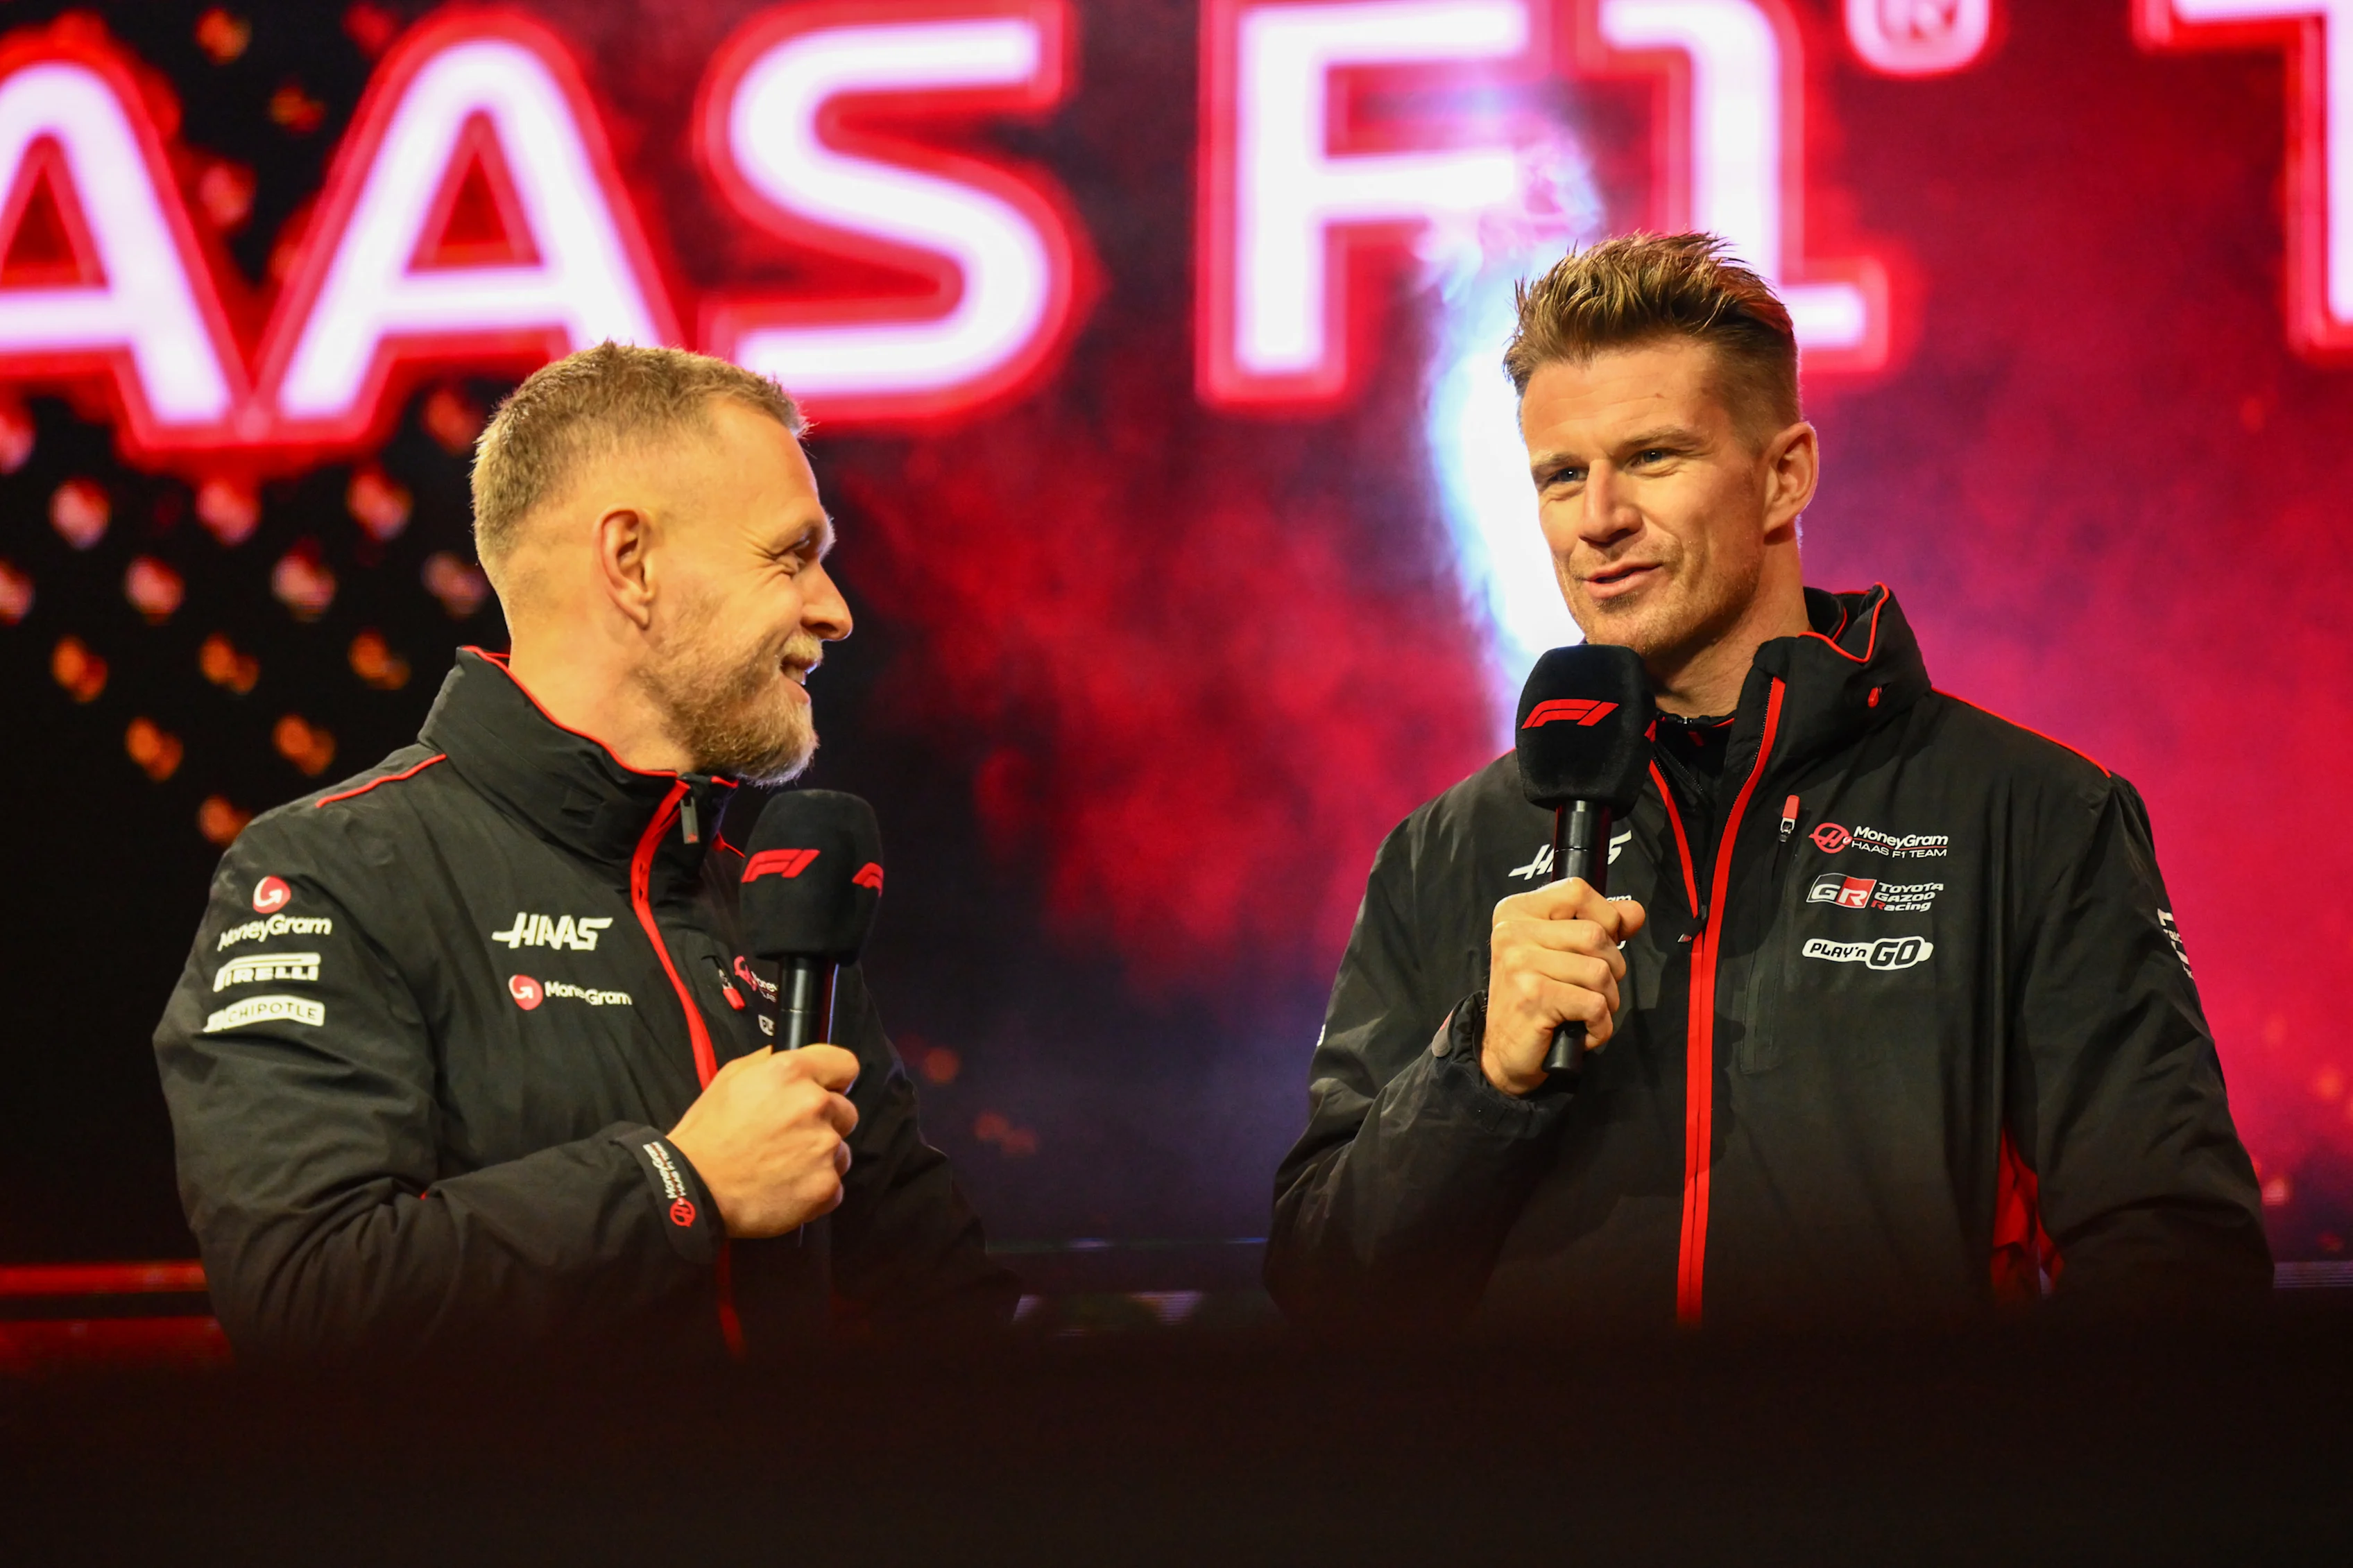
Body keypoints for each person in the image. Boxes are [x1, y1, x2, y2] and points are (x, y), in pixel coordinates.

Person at [1267, 234, 2270, 1333]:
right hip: (1546, 1507)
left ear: (1784, 475)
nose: (1598, 516)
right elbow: (1321, 1284)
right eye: (1562, 475)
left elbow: (2177, 1252)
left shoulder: (2033, 817)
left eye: (1652, 457)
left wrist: (1978, 1489)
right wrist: (1476, 1076)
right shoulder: (1444, 852)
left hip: (1887, 1504)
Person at [155, 343, 1015, 1363]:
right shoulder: (331, 873)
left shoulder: (766, 905)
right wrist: (677, 1187)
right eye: (791, 556)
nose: (833, 611)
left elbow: (947, 1304)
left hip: (800, 1525)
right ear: (631, 562)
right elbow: (305, 1295)